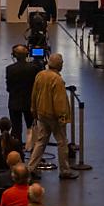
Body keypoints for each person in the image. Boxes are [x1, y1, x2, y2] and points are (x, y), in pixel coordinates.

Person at [27, 52, 78, 180]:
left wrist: (34, 110)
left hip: (42, 114)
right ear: (59, 65)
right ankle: (65, 170)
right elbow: (59, 101)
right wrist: (62, 117)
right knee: (62, 142)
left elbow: (34, 94)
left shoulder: (40, 75)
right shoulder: (57, 79)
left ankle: (31, 168)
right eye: (62, 63)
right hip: (54, 116)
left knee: (41, 141)